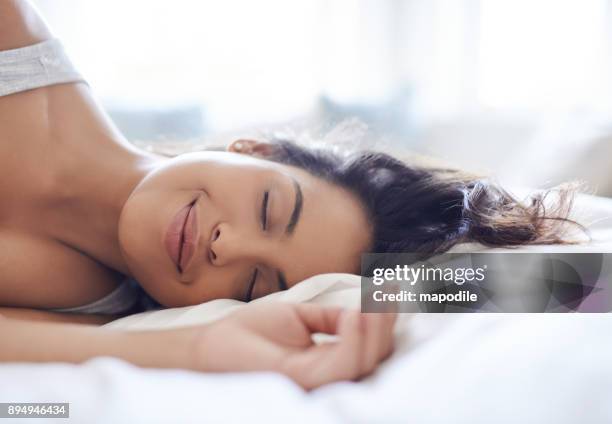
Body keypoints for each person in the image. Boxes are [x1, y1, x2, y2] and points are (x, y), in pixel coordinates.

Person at [0, 0, 580, 389]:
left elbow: (577, 284)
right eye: (269, 208)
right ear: (253, 149)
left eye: (255, 284)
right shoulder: (16, 40)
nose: (227, 248)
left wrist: (202, 347)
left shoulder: (88, 316)